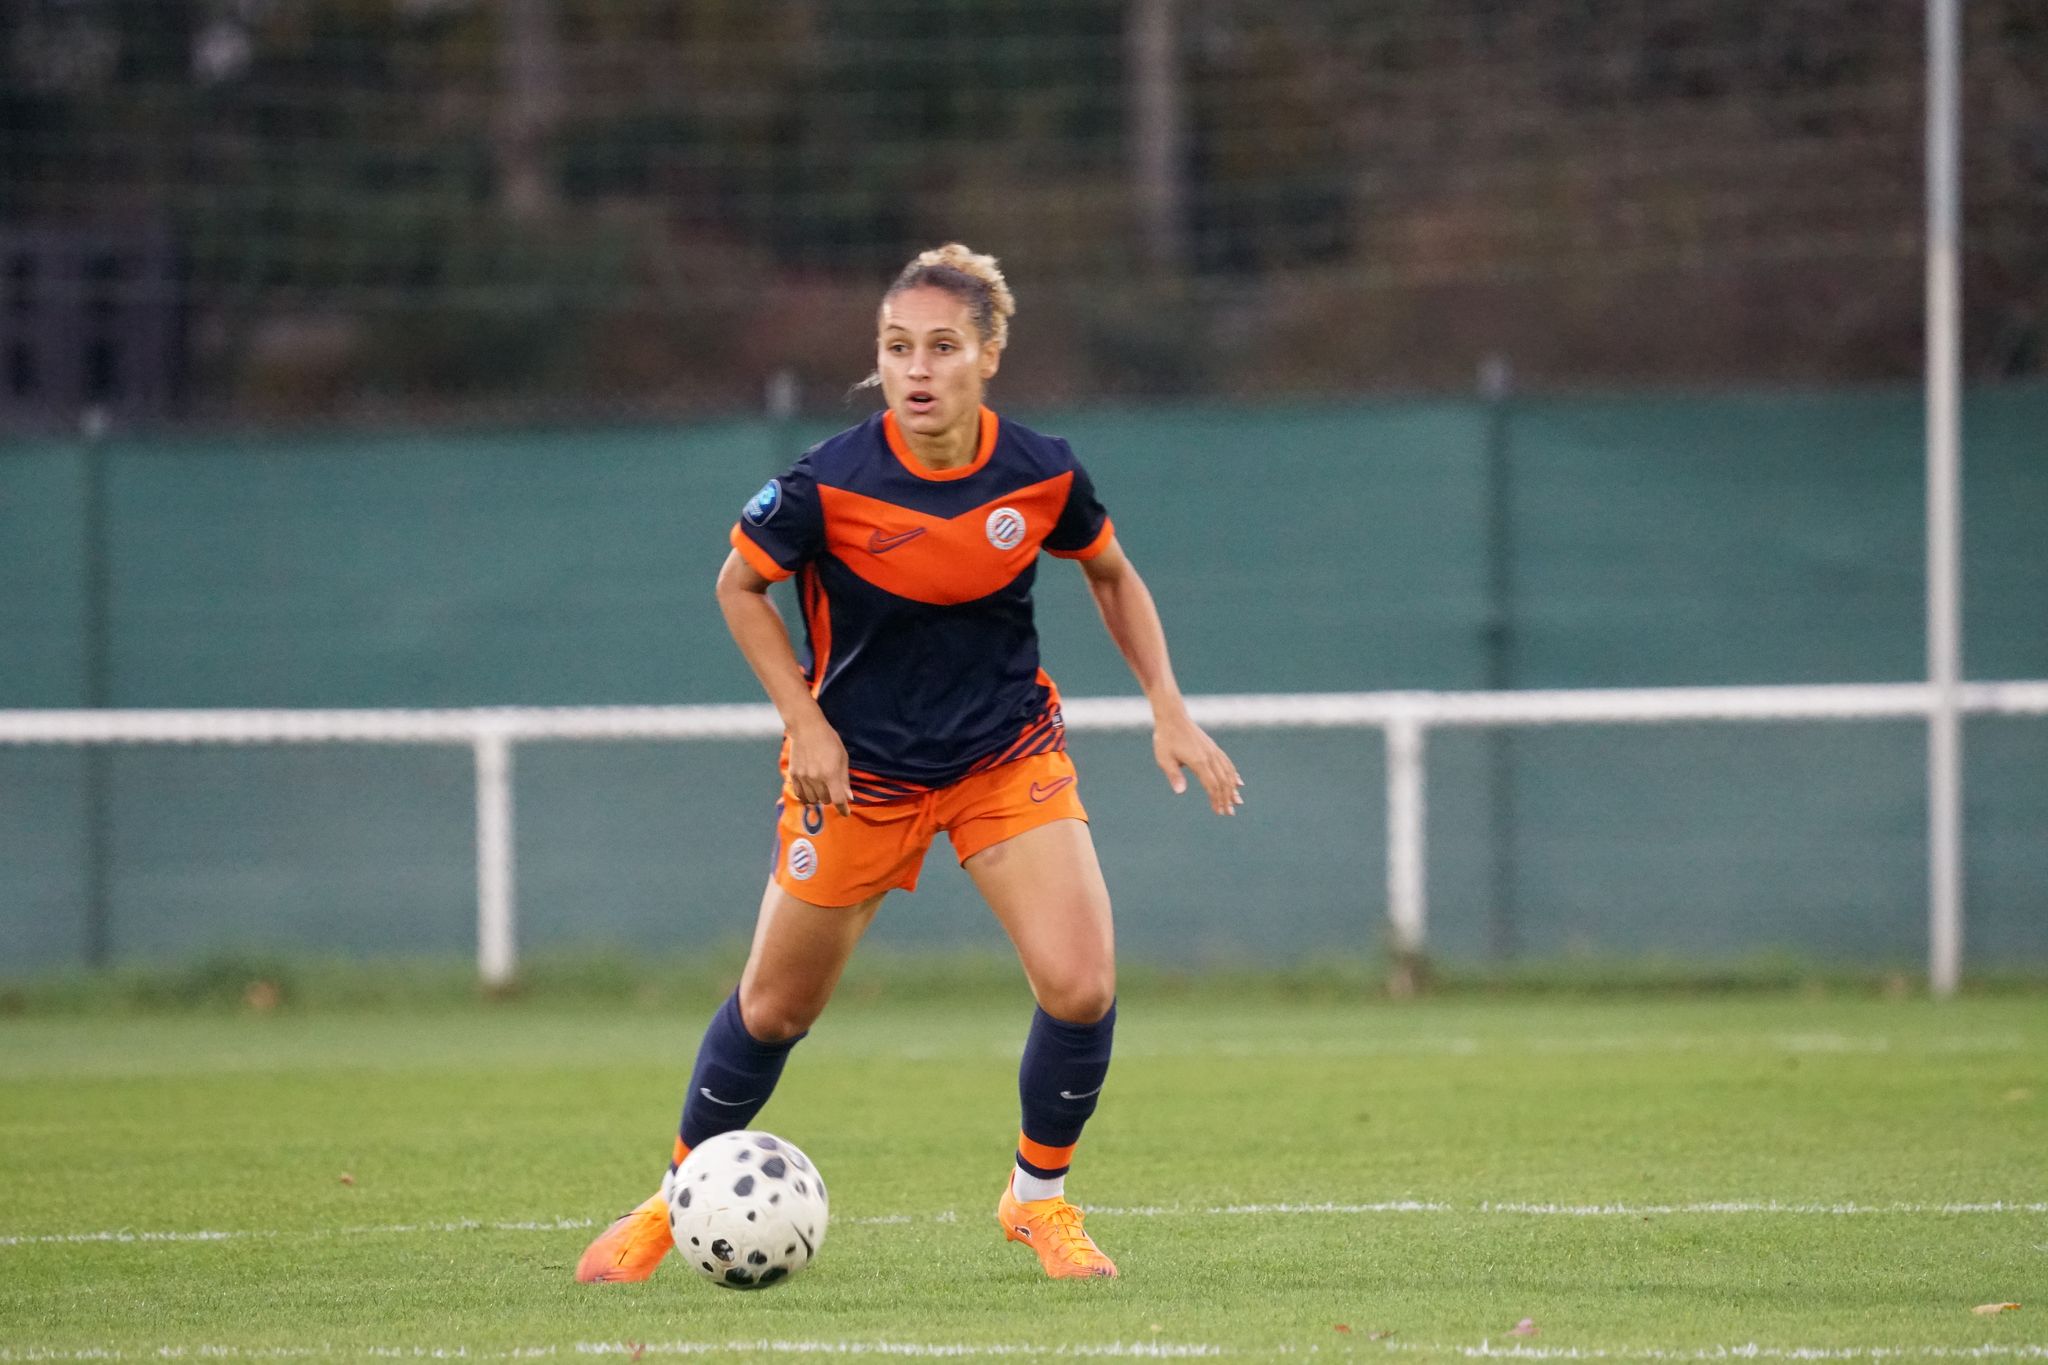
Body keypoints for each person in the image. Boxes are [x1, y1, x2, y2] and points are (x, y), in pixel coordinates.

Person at [574, 243, 1243, 1284]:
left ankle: (1037, 1202)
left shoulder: (1042, 471)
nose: (915, 369)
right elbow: (737, 588)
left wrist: (1168, 707)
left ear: (989, 355)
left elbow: (1110, 573)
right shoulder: (827, 482)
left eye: (940, 347)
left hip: (1002, 755)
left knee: (1080, 984)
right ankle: (674, 1200)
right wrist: (805, 722)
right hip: (859, 776)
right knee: (775, 1009)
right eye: (895, 348)